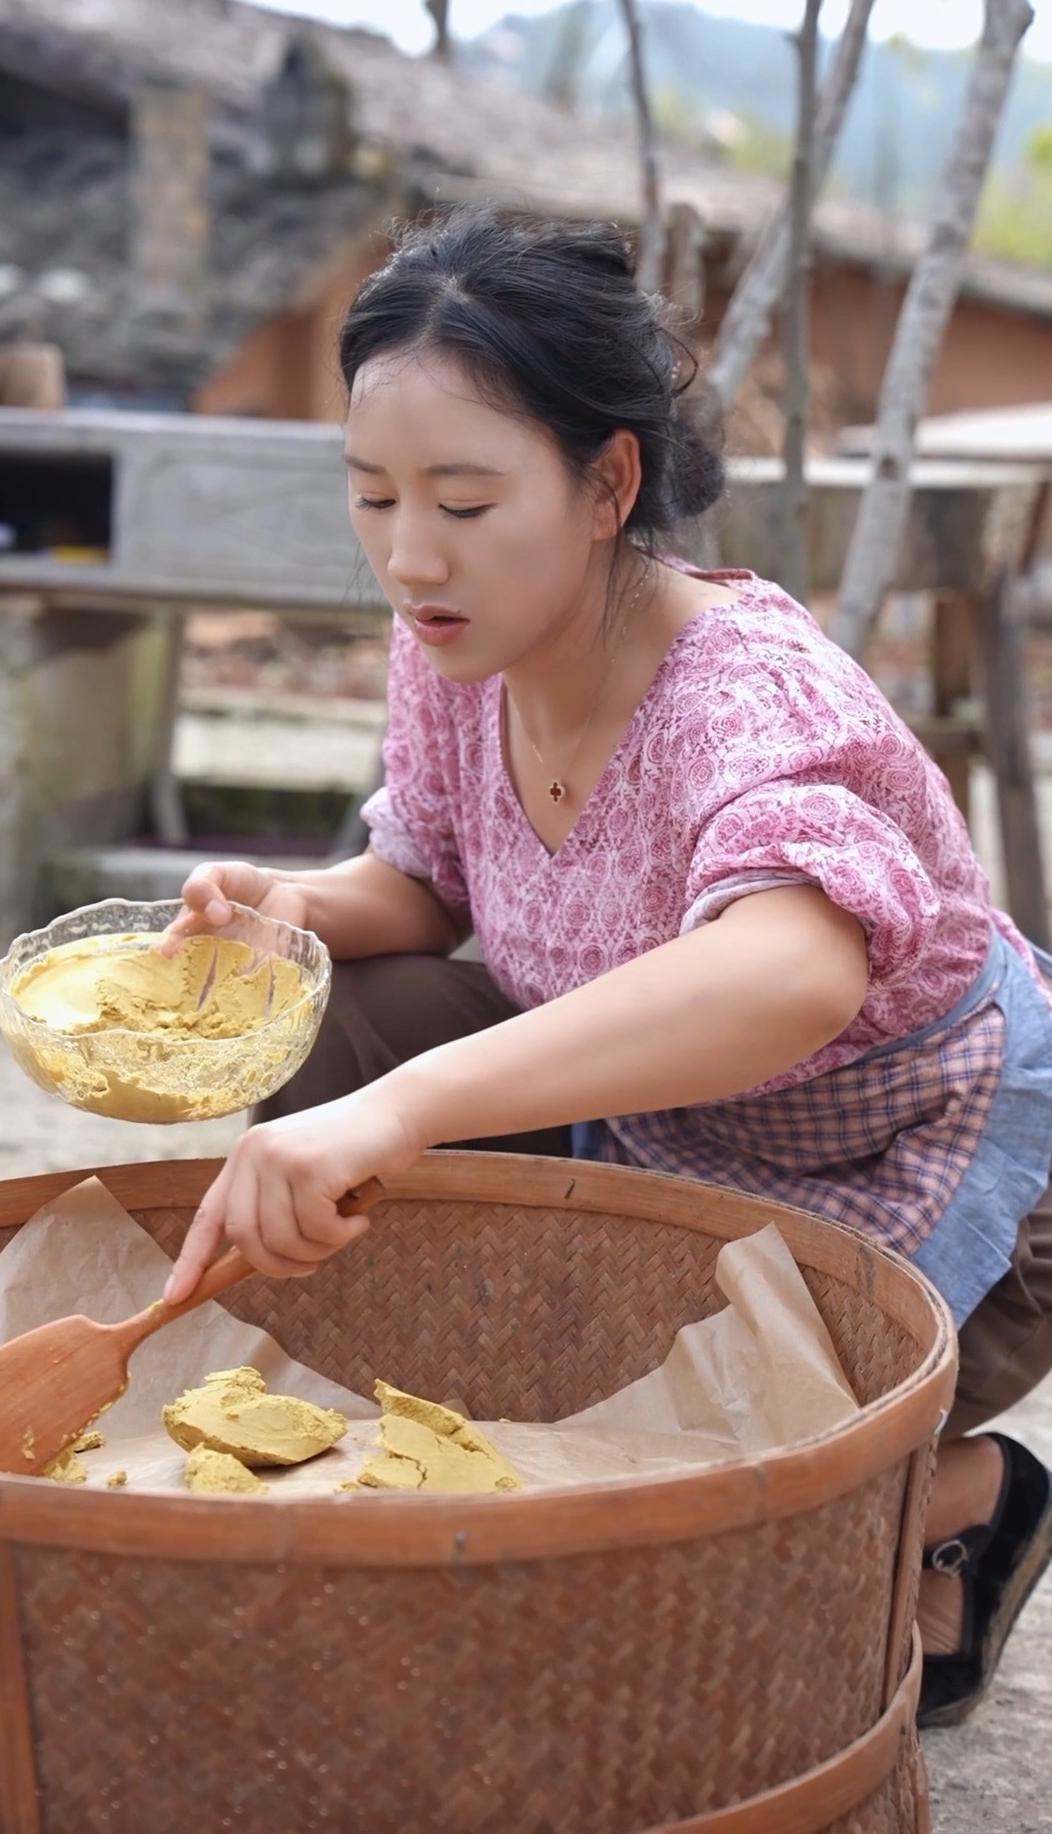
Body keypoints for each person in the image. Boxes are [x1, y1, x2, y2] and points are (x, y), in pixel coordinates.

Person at [162, 204, 1052, 1728]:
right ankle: (435, 1409)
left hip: (932, 1168)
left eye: (460, 497)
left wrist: (404, 1113)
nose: (407, 553)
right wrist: (287, 906)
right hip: (668, 1136)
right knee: (333, 1019)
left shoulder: (746, 696)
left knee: (669, 1550)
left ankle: (966, 1489)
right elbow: (424, 884)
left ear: (606, 484)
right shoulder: (461, 632)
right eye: (372, 496)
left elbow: (793, 975)